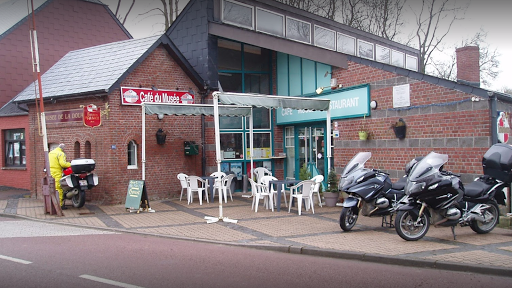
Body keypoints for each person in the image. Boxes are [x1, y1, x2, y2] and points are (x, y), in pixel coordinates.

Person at [49, 143, 71, 209]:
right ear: (63, 149)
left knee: (51, 187)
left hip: (50, 171)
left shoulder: (51, 153)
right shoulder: (61, 154)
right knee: (59, 188)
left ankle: (52, 203)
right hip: (57, 172)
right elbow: (63, 164)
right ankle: (60, 205)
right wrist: (71, 164)